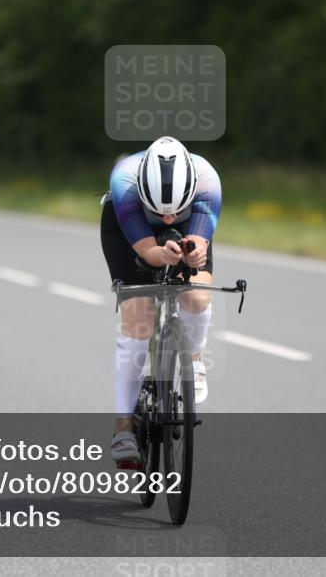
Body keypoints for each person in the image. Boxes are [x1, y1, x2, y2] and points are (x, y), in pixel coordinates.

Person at [100, 136, 222, 467]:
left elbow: (196, 242)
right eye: (161, 213)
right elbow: (148, 253)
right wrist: (159, 253)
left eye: (174, 213)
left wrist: (192, 253)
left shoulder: (208, 181)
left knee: (196, 297)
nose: (168, 220)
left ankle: (193, 357)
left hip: (192, 220)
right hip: (128, 230)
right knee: (138, 318)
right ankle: (123, 424)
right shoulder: (124, 182)